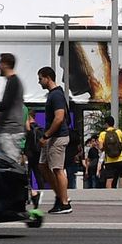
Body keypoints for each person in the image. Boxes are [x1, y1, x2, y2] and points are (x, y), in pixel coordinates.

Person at [37, 65, 75, 214]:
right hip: (52, 138)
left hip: (57, 137)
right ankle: (60, 195)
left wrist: (47, 135)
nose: (39, 82)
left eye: (40, 79)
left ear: (48, 78)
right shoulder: (53, 94)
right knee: (42, 166)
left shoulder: (56, 95)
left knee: (58, 169)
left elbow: (59, 118)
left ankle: (65, 203)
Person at [0, 53, 27, 165]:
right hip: (5, 131)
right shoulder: (11, 82)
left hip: (10, 132)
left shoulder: (14, 82)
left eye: (0, 64)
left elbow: (5, 105)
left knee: (12, 164)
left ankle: (20, 182)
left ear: (5, 64)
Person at [96, 116, 122, 189]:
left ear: (106, 124)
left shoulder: (102, 134)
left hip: (109, 160)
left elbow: (101, 147)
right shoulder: (118, 132)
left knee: (109, 179)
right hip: (119, 158)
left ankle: (109, 195)